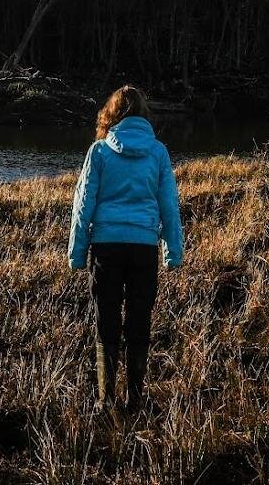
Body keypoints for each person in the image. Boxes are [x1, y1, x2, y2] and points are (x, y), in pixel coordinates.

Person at [68, 85, 183, 414]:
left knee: (106, 320)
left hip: (106, 247)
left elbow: (83, 205)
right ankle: (135, 398)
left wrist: (77, 252)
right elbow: (169, 206)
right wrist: (173, 251)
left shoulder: (100, 151)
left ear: (112, 113)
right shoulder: (158, 152)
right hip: (143, 248)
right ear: (144, 114)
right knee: (139, 320)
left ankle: (105, 400)